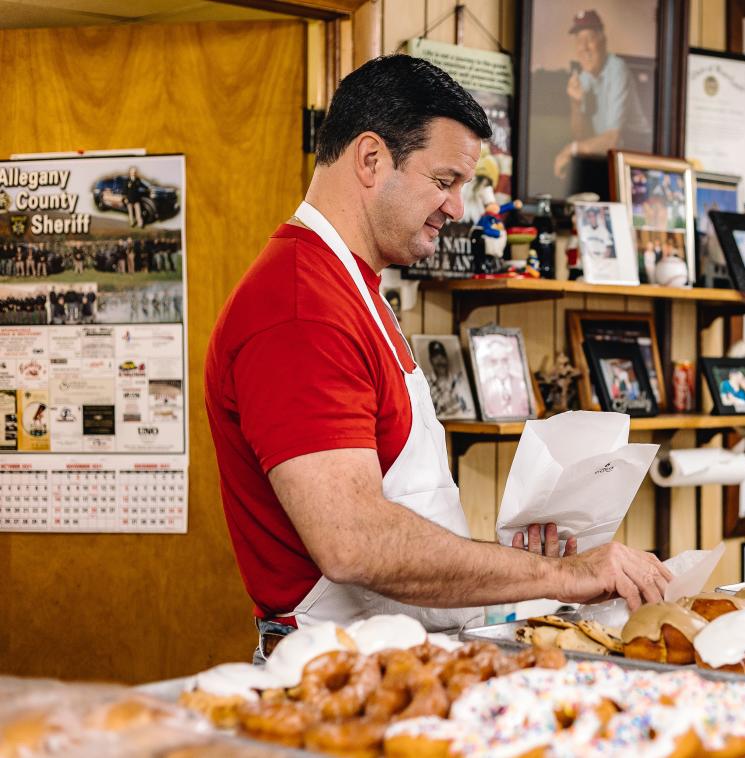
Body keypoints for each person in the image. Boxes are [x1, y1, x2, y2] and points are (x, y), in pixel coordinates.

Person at [204, 55, 671, 661]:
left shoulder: (353, 287)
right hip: (337, 671)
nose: (458, 208)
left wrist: (514, 567)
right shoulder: (300, 307)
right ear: (371, 159)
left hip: (400, 650)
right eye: (444, 180)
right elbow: (353, 541)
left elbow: (399, 512)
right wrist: (564, 576)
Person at [552, 10, 651, 179]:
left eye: (589, 39)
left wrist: (571, 150)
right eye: (579, 40)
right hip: (608, 151)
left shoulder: (617, 70)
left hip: (636, 147)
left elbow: (612, 139)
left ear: (602, 40)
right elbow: (580, 136)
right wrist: (575, 103)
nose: (584, 48)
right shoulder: (585, 76)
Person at [425, 339, 470, 418]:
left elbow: (467, 410)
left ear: (446, 358)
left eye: (442, 356)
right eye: (436, 357)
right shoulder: (425, 382)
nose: (440, 361)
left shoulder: (458, 380)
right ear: (431, 360)